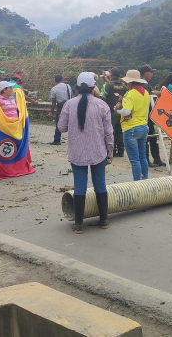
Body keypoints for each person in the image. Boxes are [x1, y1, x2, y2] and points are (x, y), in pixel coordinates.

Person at [58, 72, 114, 234]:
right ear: (93, 87)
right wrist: (109, 152)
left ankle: (78, 224)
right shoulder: (102, 105)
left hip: (77, 153)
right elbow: (108, 133)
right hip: (98, 152)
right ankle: (104, 220)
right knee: (100, 184)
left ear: (76, 86)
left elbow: (61, 128)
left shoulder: (69, 105)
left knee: (80, 185)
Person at [116, 69, 150, 181]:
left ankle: (136, 183)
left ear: (129, 82)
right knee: (142, 157)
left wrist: (117, 111)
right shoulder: (146, 93)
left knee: (135, 160)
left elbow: (126, 112)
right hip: (144, 127)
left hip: (131, 129)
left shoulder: (130, 94)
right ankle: (145, 179)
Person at [139, 64, 164, 167]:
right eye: (151, 72)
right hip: (144, 115)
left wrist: (154, 92)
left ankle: (156, 158)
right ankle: (147, 160)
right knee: (147, 138)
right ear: (146, 73)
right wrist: (155, 92)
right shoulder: (143, 83)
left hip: (148, 114)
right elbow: (147, 94)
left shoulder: (144, 83)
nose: (152, 74)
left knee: (152, 137)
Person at [99, 68, 127, 157]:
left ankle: (112, 150)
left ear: (110, 75)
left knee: (110, 132)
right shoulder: (124, 86)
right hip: (122, 112)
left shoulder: (107, 85)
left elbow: (102, 98)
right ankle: (121, 151)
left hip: (111, 112)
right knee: (120, 131)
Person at [48, 74, 73, 145]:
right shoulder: (68, 86)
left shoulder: (54, 89)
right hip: (69, 106)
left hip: (61, 108)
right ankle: (73, 139)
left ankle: (57, 140)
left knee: (58, 123)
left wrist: (51, 112)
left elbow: (53, 103)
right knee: (71, 123)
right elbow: (71, 96)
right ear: (62, 80)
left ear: (55, 81)